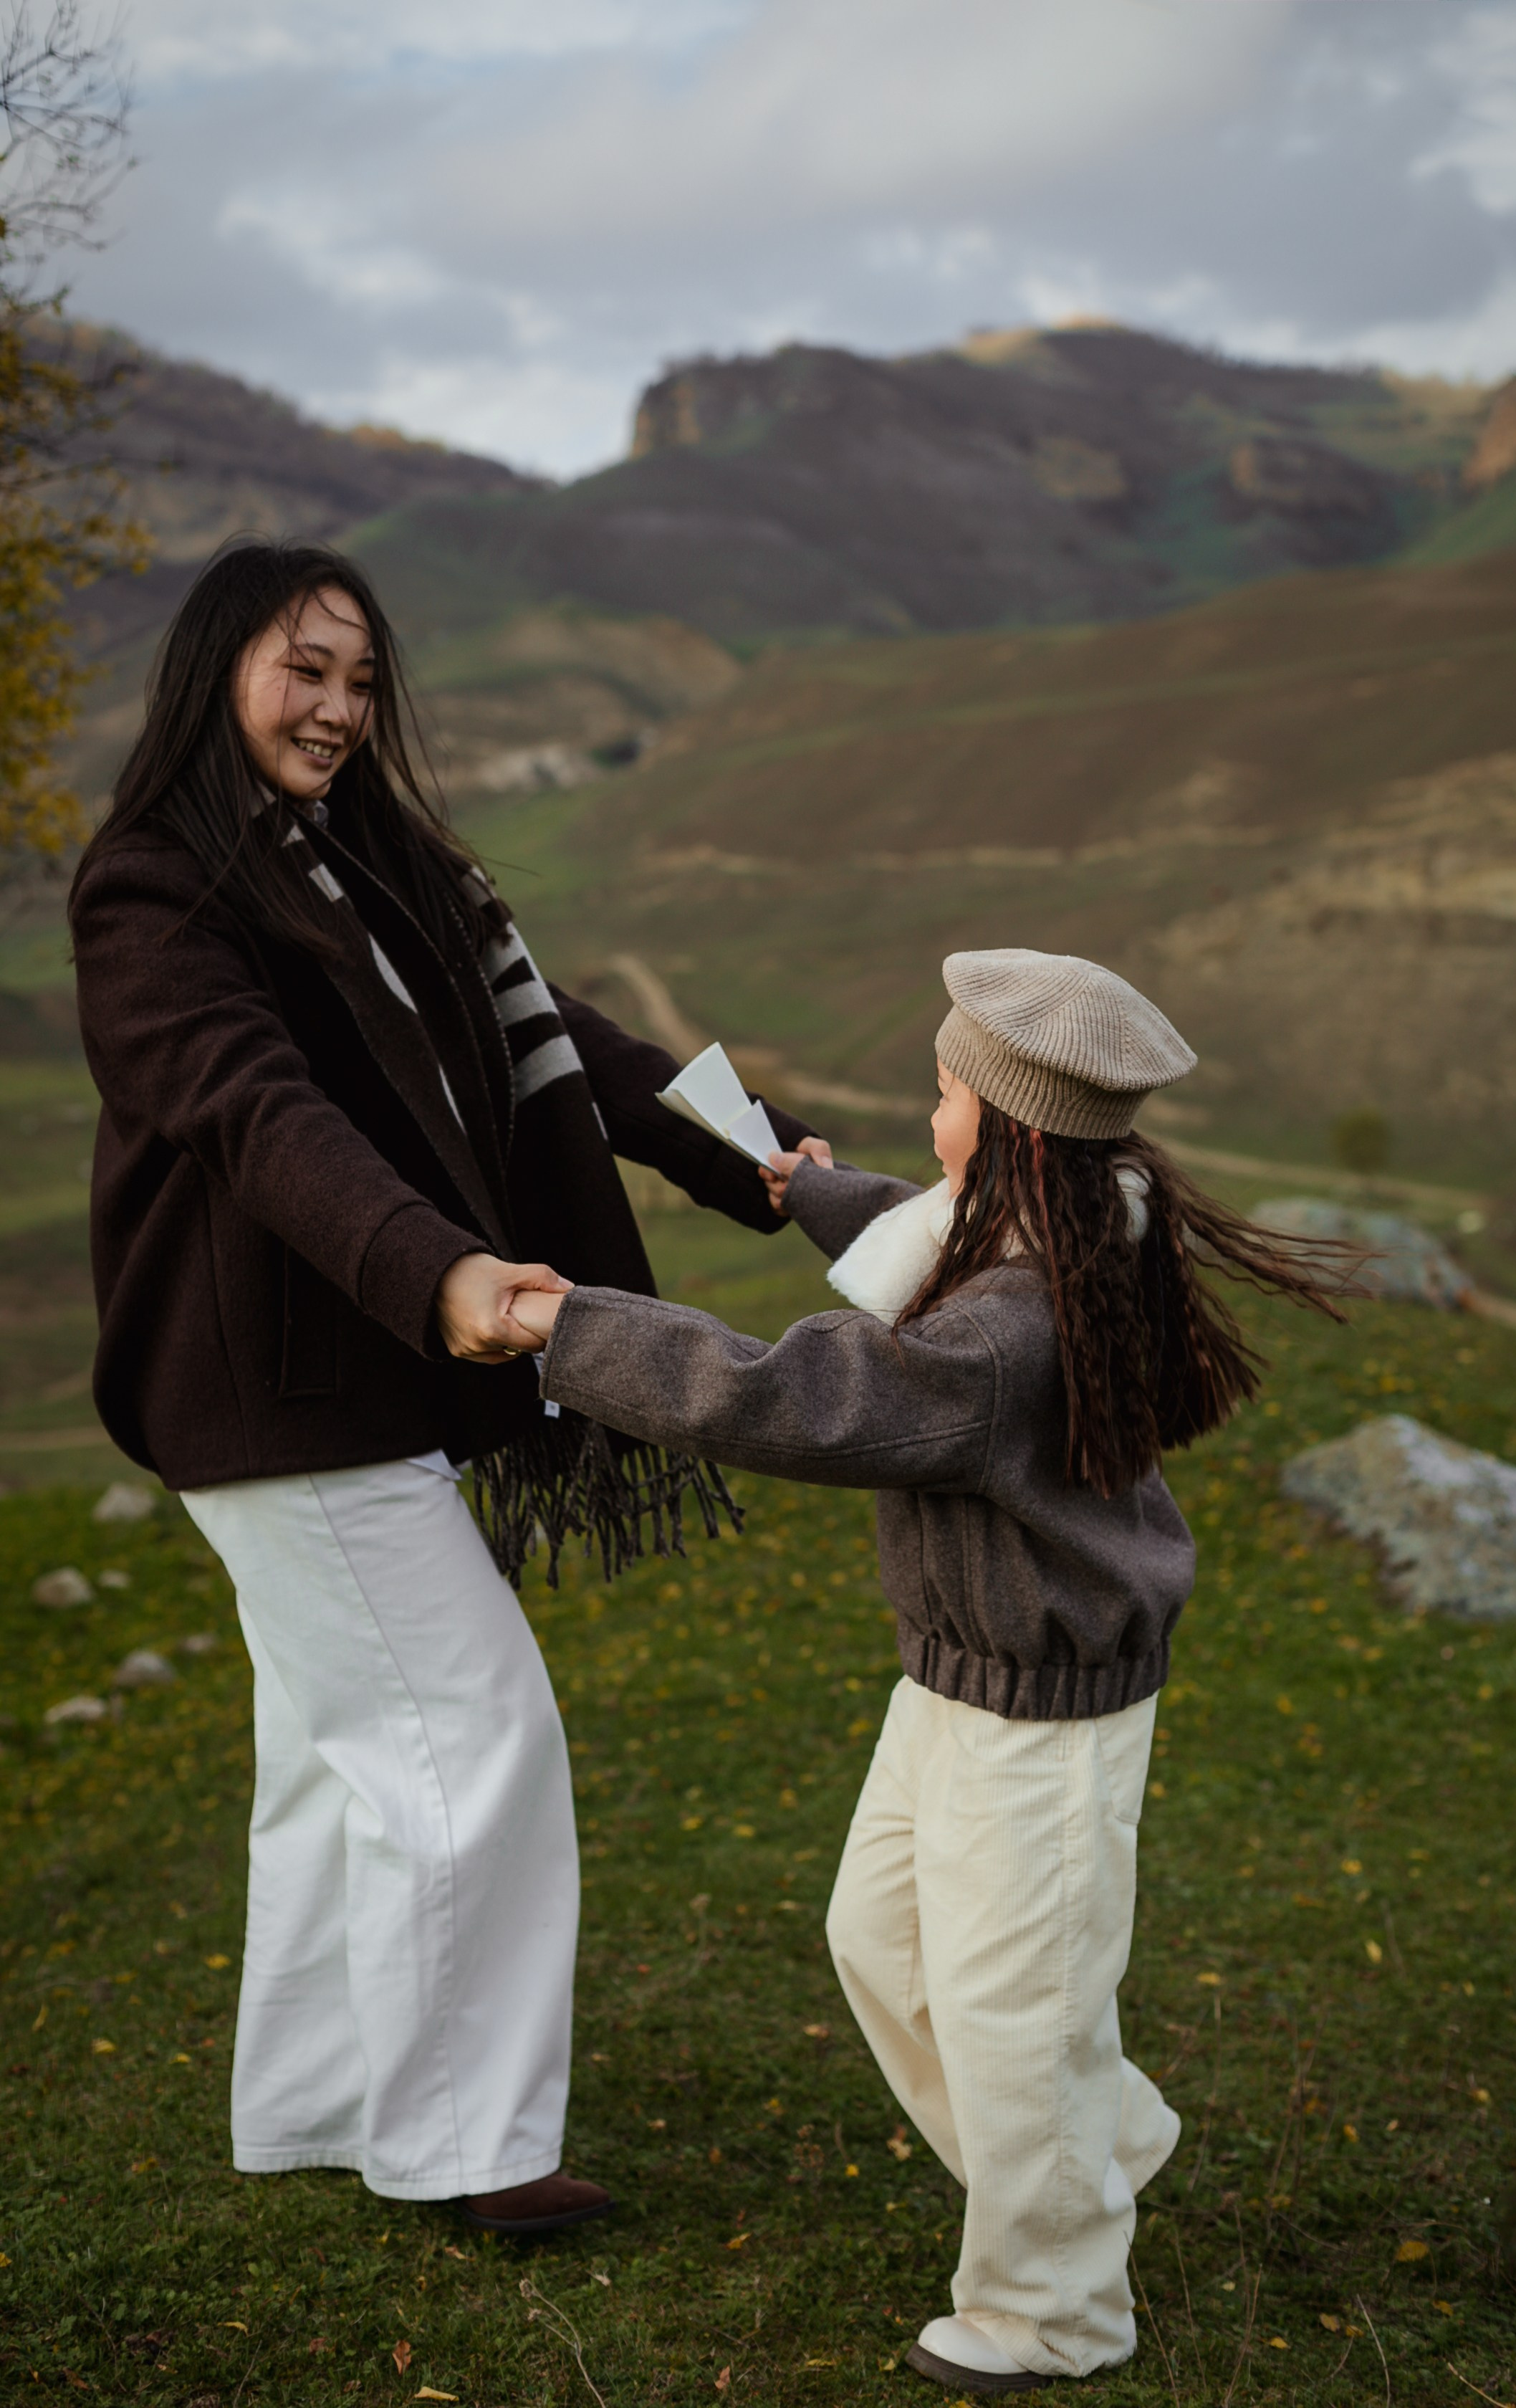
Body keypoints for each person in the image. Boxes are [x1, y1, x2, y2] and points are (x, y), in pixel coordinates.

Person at [68, 540, 817, 2237]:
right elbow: (264, 1117)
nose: (337, 708)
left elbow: (563, 1037)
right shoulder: (153, 895)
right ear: (214, 676)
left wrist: (748, 1155)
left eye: (358, 679)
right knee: (466, 1734)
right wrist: (440, 1271)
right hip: (274, 1396)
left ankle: (325, 2103)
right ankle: (470, 2151)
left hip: (357, 1387)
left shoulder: (386, 869)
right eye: (300, 671)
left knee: (340, 1762)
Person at [511, 948, 1343, 2388]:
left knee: (1016, 2021)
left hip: (1040, 1728)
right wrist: (810, 1188)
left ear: (1008, 1131)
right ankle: (1097, 2146)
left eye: (943, 1092)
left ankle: (1052, 2311)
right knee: (880, 1944)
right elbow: (932, 1214)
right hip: (958, 1686)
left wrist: (566, 1327)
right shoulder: (1065, 1220)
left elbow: (799, 1401)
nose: (931, 1111)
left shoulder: (998, 1336)